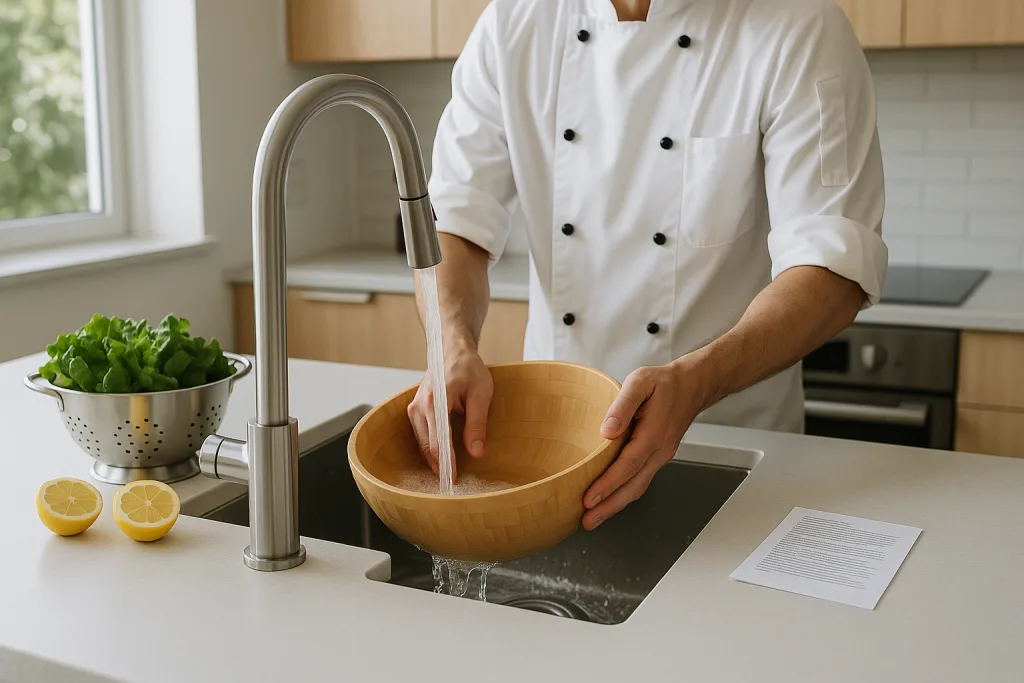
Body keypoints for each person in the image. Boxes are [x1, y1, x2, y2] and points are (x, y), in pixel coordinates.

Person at [407, 0, 887, 530]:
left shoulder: (798, 23)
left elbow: (830, 264)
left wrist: (698, 382)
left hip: (729, 452)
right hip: (554, 450)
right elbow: (454, 224)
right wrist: (450, 345)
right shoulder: (514, 23)